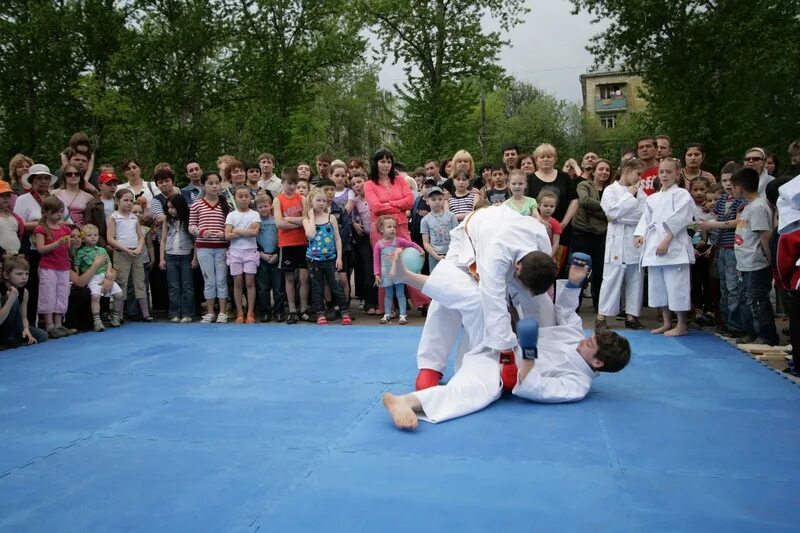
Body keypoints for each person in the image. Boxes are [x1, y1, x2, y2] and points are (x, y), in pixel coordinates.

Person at [382, 254, 631, 429]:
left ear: (597, 362)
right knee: (478, 301)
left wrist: (530, 355)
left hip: (502, 369)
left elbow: (536, 388)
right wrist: (575, 282)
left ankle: (406, 402)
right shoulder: (575, 338)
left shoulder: (577, 384)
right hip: (499, 339)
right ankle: (406, 276)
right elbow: (566, 312)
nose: (584, 341)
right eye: (590, 338)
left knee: (476, 393)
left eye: (590, 345)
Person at [415, 204, 556, 390]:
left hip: (503, 234)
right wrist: (506, 355)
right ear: (518, 268)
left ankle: (547, 355)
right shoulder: (495, 257)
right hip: (468, 240)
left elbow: (540, 280)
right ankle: (431, 366)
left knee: (542, 302)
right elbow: (494, 303)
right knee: (447, 293)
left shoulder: (540, 238)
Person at [634, 158, 694, 336]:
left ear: (677, 173)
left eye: (669, 172)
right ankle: (666, 322)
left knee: (677, 286)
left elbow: (682, 219)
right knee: (658, 287)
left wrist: (667, 240)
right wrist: (640, 235)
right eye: (662, 172)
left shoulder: (682, 194)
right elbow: (646, 219)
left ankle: (681, 324)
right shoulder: (652, 198)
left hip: (674, 246)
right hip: (654, 244)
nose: (665, 175)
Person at [364, 148, 427, 314]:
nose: (386, 165)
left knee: (409, 262)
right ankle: (387, 307)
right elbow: (375, 206)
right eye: (382, 161)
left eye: (388, 161)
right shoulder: (369, 184)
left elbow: (410, 200)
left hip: (400, 225)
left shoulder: (400, 180)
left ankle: (421, 301)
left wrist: (388, 204)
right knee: (385, 266)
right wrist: (397, 204)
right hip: (380, 228)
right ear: (375, 163)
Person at [595, 158, 646, 330]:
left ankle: (632, 315)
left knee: (635, 278)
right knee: (611, 278)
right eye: (637, 174)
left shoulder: (641, 191)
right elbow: (611, 212)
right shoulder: (611, 190)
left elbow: (643, 214)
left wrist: (621, 213)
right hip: (616, 238)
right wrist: (629, 195)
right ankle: (602, 317)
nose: (639, 178)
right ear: (627, 170)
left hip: (635, 237)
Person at [730, 167, 779, 346]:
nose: (732, 190)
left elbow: (764, 236)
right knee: (745, 299)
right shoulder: (748, 207)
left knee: (757, 300)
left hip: (757, 263)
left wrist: (771, 261)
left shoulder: (759, 207)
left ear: (740, 188)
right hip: (744, 263)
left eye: (733, 186)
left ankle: (766, 335)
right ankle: (751, 331)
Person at [698, 163, 746, 336]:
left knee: (733, 288)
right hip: (720, 248)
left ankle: (736, 325)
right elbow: (714, 223)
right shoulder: (722, 200)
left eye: (730, 180)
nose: (727, 184)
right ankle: (725, 322)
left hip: (734, 248)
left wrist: (711, 224)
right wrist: (710, 240)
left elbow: (737, 222)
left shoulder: (742, 200)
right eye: (724, 180)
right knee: (723, 287)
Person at [303, 188, 352, 325]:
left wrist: (339, 257)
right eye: (318, 200)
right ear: (311, 201)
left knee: (336, 286)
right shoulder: (306, 220)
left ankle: (344, 312)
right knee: (317, 288)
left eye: (324, 201)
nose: (321, 203)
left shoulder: (331, 218)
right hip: (314, 260)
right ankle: (320, 313)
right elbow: (310, 235)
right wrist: (312, 216)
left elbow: (337, 239)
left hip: (330, 259)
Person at [189, 171, 230, 324]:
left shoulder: (226, 204)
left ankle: (223, 312)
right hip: (203, 248)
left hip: (221, 248)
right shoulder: (197, 205)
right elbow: (191, 226)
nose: (214, 186)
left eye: (216, 183)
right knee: (209, 280)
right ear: (203, 185)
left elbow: (230, 226)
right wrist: (201, 231)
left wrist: (224, 233)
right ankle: (211, 312)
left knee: (221, 279)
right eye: (210, 183)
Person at [107, 188, 152, 322]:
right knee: (122, 283)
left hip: (136, 254)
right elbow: (110, 238)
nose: (129, 203)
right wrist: (126, 249)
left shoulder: (134, 218)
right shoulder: (114, 217)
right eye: (125, 200)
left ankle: (145, 313)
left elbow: (141, 236)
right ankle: (119, 315)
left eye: (131, 201)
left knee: (140, 282)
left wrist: (139, 248)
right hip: (122, 254)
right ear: (117, 201)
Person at [33, 196, 74, 338]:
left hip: (63, 266)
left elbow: (69, 249)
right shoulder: (41, 228)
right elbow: (41, 249)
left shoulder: (65, 229)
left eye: (61, 212)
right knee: (48, 295)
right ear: (45, 212)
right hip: (48, 267)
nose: (59, 214)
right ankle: (49, 325)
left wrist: (74, 243)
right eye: (56, 212)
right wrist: (58, 243)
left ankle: (59, 323)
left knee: (62, 294)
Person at [572, 158, 611, 311]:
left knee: (600, 271)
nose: (604, 172)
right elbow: (584, 201)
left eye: (607, 170)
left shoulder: (611, 189)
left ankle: (599, 305)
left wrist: (600, 211)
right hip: (582, 232)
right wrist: (608, 208)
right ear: (593, 171)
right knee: (580, 269)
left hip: (602, 234)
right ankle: (575, 305)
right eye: (601, 169)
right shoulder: (584, 185)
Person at [526, 143, 579, 252]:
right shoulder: (530, 179)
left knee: (558, 265)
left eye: (549, 156)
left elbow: (574, 201)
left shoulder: (564, 177)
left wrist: (563, 224)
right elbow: (528, 203)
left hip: (562, 230)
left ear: (555, 159)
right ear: (536, 160)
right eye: (542, 157)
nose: (545, 159)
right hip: (537, 229)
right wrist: (539, 220)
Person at [373, 215, 424, 325]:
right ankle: (387, 314)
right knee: (388, 294)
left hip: (398, 273)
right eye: (389, 227)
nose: (392, 229)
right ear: (381, 230)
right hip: (386, 274)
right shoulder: (379, 245)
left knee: (400, 293)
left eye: (394, 227)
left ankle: (402, 315)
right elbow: (376, 260)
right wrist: (376, 273)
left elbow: (411, 244)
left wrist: (420, 250)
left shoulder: (398, 241)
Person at [274, 169, 310, 324]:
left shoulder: (302, 198)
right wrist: (298, 222)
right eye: (289, 183)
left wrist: (289, 219)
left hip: (303, 242)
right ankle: (292, 310)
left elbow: (307, 219)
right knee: (289, 278)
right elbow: (279, 223)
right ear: (283, 183)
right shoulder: (278, 200)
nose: (292, 186)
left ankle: (303, 308)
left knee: (304, 277)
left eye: (295, 183)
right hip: (287, 243)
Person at [73, 224, 124, 331]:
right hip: (91, 278)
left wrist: (109, 272)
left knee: (119, 294)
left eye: (95, 235)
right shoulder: (80, 252)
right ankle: (97, 321)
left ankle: (115, 315)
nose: (93, 237)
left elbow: (108, 262)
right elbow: (76, 267)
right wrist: (77, 277)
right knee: (95, 297)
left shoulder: (102, 250)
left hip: (104, 275)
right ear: (83, 238)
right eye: (89, 235)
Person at [225, 186, 260, 324]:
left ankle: (250, 312)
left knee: (250, 282)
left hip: (250, 250)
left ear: (250, 198)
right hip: (235, 252)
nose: (244, 199)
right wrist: (245, 231)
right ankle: (240, 312)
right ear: (235, 198)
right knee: (237, 282)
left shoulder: (255, 214)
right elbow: (227, 235)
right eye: (240, 196)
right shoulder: (231, 215)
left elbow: (254, 233)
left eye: (246, 196)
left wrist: (236, 230)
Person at [160, 194, 196, 323]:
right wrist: (161, 258)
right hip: (170, 256)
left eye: (173, 207)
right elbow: (163, 240)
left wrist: (194, 258)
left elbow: (195, 241)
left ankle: (188, 313)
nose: (171, 210)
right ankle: (174, 313)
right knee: (173, 286)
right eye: (169, 208)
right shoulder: (167, 220)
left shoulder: (188, 220)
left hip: (186, 255)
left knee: (187, 286)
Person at [0, 255, 48, 347]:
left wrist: (26, 329)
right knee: (14, 302)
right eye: (19, 274)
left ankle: (15, 339)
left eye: (26, 274)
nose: (24, 277)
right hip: (2, 327)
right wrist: (10, 300)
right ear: (6, 275)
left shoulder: (24, 292)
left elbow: (23, 317)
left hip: (15, 327)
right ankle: (9, 339)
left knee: (42, 335)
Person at [351, 171, 378, 315]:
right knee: (368, 269)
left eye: (359, 182)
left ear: (366, 181)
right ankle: (370, 303)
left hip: (379, 236)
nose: (357, 186)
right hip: (365, 238)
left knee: (381, 269)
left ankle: (384, 302)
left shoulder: (376, 195)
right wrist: (354, 223)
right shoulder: (355, 201)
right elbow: (348, 215)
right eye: (354, 184)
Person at [255, 193, 285, 322]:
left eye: (265, 206)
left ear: (271, 206)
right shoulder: (256, 223)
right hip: (262, 257)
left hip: (276, 256)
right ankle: (265, 311)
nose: (263, 209)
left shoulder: (276, 221)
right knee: (263, 288)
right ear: (256, 208)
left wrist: (277, 254)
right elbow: (253, 241)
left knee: (278, 288)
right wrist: (261, 254)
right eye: (260, 207)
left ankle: (279, 311)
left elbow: (282, 239)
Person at [421, 187, 457, 272]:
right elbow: (425, 242)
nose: (437, 202)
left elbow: (457, 236)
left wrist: (453, 253)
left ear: (444, 199)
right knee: (436, 281)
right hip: (435, 256)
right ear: (427, 201)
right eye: (433, 199)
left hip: (451, 254)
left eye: (440, 199)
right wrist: (435, 256)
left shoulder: (451, 216)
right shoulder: (425, 220)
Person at [84, 170, 119, 249]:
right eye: (108, 184)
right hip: (101, 244)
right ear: (100, 186)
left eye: (114, 184)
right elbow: (89, 227)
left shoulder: (119, 202)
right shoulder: (93, 205)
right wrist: (104, 245)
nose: (112, 187)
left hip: (119, 241)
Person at [54, 163, 94, 228]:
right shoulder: (55, 193)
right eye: (69, 174)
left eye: (77, 174)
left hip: (81, 233)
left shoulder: (89, 197)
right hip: (60, 231)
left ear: (80, 176)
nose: (73, 176)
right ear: (64, 176)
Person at [0, 180, 25, 255]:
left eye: (7, 195)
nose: (5, 198)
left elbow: (19, 235)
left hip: (16, 256)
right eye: (1, 195)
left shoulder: (14, 216)